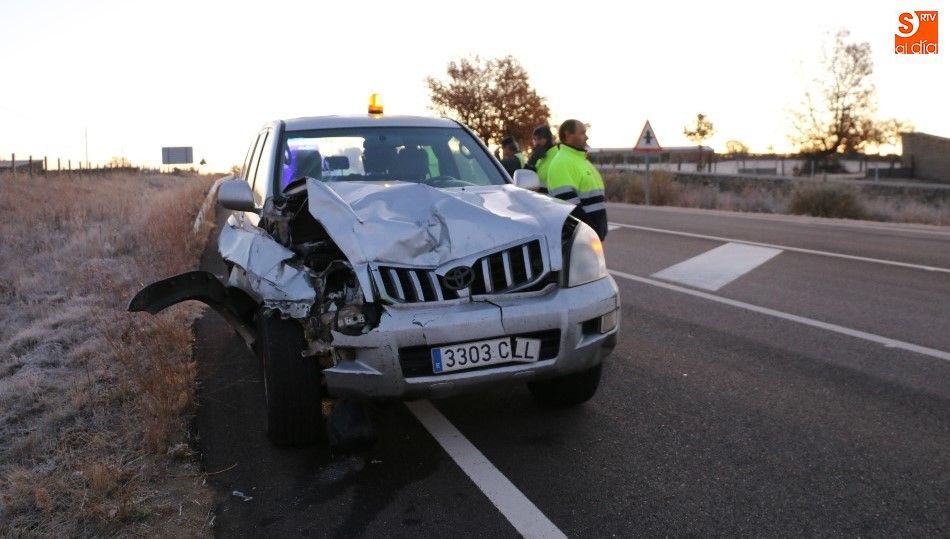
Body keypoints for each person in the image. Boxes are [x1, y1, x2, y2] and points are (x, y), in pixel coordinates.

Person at [546, 119, 607, 240]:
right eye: (582, 133)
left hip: (589, 236)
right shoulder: (561, 163)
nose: (586, 137)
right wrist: (590, 232)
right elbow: (569, 207)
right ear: (568, 135)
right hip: (579, 238)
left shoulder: (581, 161)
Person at [525, 124, 558, 193]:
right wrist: (530, 162)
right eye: (534, 139)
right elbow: (526, 179)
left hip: (553, 198)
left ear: (548, 139)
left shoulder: (557, 156)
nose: (536, 142)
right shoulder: (539, 157)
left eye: (540, 138)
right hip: (539, 197)